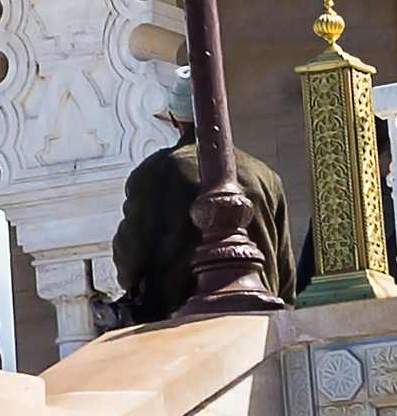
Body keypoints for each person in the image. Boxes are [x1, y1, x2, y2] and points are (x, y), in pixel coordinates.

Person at [110, 70, 296, 324]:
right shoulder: (265, 176)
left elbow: (128, 264)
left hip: (181, 328)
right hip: (261, 325)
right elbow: (286, 281)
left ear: (175, 119)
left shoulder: (155, 173)